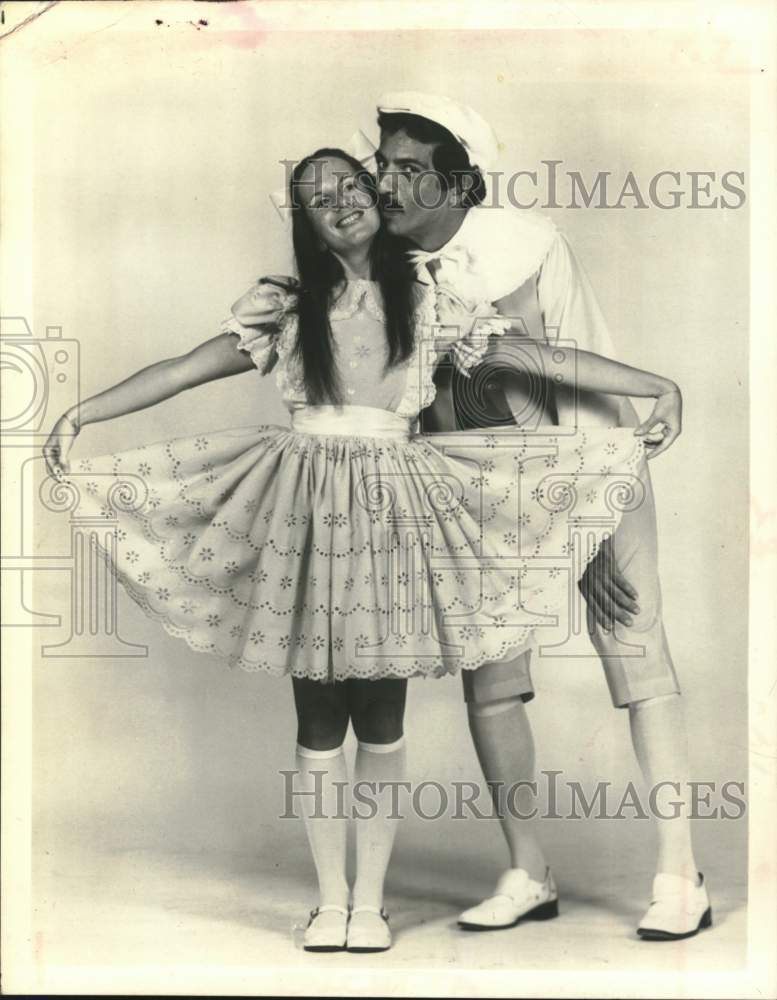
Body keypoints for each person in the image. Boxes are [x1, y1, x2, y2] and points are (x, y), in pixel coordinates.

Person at [44, 145, 682, 957]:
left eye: (352, 184)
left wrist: (654, 384)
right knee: (317, 714)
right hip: (307, 509)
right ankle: (330, 902)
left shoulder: (430, 302)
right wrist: (83, 414)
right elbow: (184, 368)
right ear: (305, 222)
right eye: (318, 198)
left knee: (380, 710)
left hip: (390, 512)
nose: (341, 200)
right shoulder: (285, 308)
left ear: (375, 197)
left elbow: (539, 359)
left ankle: (370, 904)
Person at [372, 91, 711, 942]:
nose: (385, 183)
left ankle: (679, 871)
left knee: (635, 647)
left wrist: (590, 513)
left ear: (458, 185)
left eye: (408, 169)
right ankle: (527, 867)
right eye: (382, 165)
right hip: (474, 495)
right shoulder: (374, 267)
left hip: (585, 468)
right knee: (487, 678)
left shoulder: (530, 246)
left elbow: (573, 358)